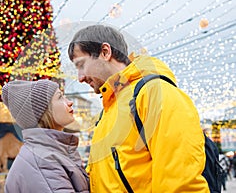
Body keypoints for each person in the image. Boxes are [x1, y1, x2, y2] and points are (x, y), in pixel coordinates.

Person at [68, 25, 209, 192]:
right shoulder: (107, 111)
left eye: (81, 65)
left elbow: (181, 183)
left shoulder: (154, 94)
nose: (80, 77)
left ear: (105, 52)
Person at [1, 79, 89, 193]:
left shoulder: (51, 152)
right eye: (60, 97)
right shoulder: (44, 161)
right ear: (44, 111)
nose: (69, 102)